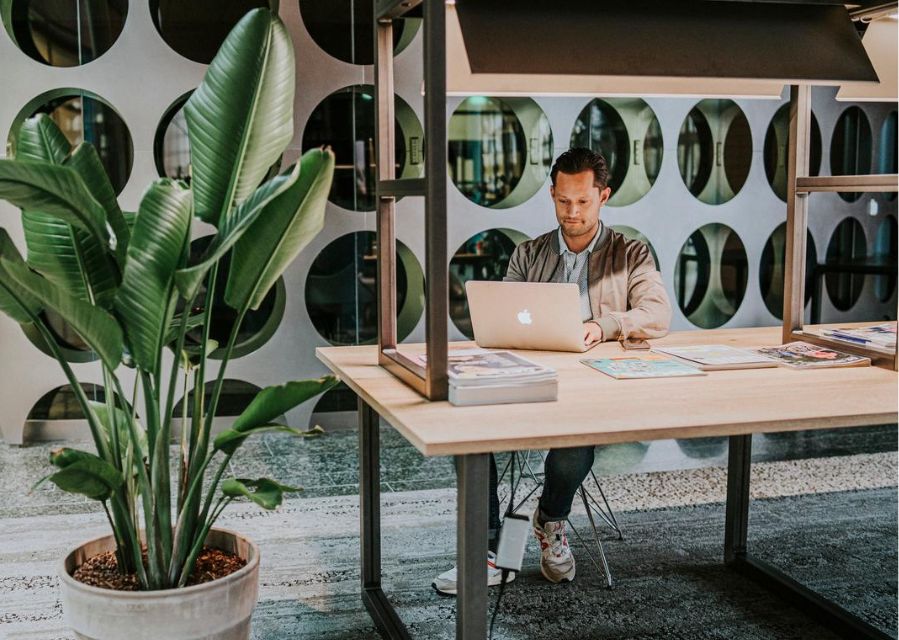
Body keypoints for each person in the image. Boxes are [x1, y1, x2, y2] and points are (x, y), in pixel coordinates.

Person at [433, 147, 672, 595]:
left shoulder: (631, 254)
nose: (573, 212)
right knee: (470, 432)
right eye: (563, 201)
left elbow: (657, 314)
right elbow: (501, 320)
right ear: (552, 194)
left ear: (604, 196)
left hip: (592, 389)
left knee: (574, 443)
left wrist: (604, 325)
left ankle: (549, 520)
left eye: (583, 201)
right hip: (530, 380)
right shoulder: (528, 254)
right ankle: (487, 552)